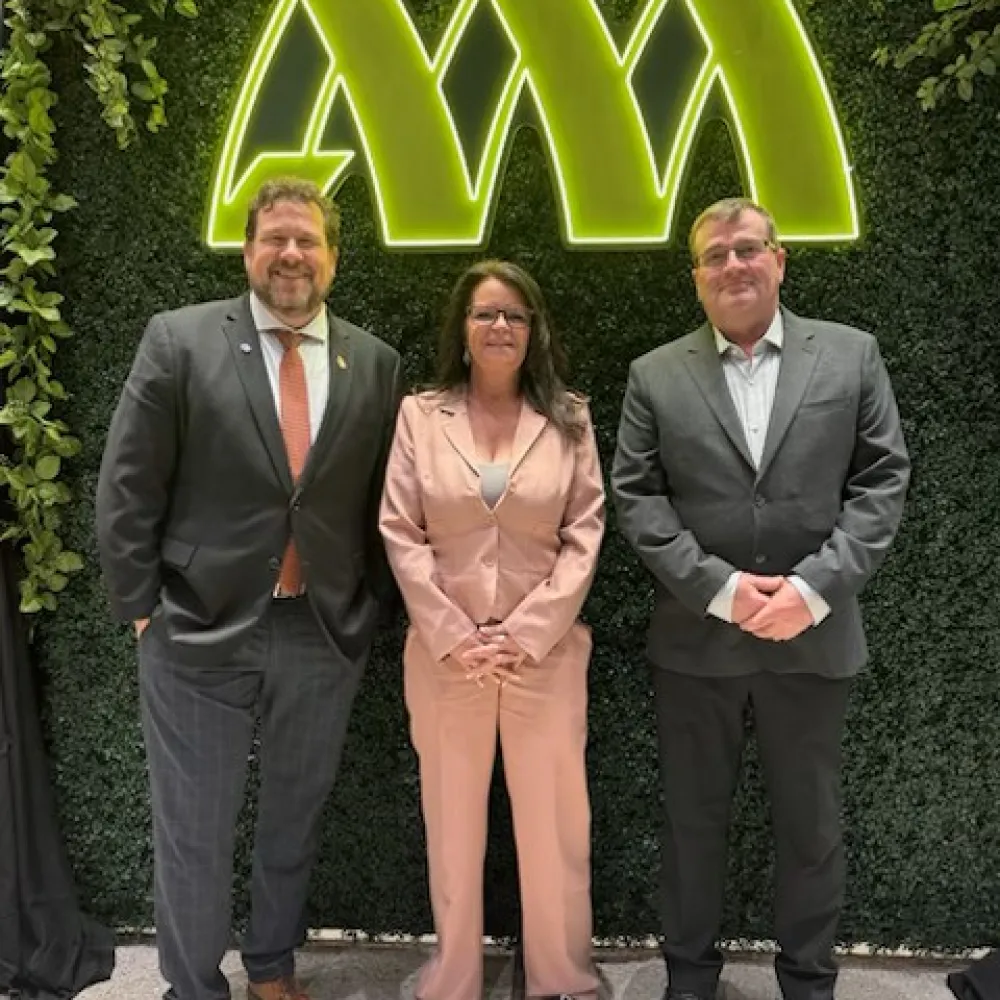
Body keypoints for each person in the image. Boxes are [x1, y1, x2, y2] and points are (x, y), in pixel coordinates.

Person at [95, 177, 403, 1000]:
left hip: (320, 630)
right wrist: (138, 609)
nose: (292, 253)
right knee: (194, 829)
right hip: (195, 630)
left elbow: (384, 502)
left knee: (293, 818)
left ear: (334, 257)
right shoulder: (180, 340)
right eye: (276, 238)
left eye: (308, 240)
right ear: (248, 250)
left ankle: (271, 966)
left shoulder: (375, 362)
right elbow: (128, 486)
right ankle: (193, 986)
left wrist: (365, 610)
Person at [611, 197, 910, 1000]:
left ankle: (810, 983)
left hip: (812, 638)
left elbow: (882, 484)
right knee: (691, 826)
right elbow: (637, 500)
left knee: (810, 829)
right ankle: (689, 980)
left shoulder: (850, 357)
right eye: (715, 256)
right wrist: (723, 591)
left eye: (748, 250)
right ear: (697, 278)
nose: (733, 265)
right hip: (697, 643)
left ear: (779, 261)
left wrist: (811, 591)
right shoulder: (655, 373)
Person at [379, 260, 605, 1000]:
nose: (500, 326)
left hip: (543, 658)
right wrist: (454, 633)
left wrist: (525, 633)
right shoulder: (420, 416)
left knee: (555, 829)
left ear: (534, 330)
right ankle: (454, 978)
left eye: (515, 314)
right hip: (448, 662)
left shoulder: (570, 417)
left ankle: (561, 979)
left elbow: (584, 534)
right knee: (451, 827)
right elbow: (400, 530)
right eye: (485, 314)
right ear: (463, 329)